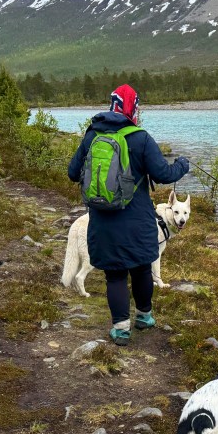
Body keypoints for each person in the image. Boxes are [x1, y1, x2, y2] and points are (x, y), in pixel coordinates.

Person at [68, 84, 190, 345]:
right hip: (137, 220)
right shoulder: (141, 137)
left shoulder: (92, 135)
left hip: (102, 220)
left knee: (114, 275)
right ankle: (144, 316)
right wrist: (182, 164)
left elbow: (71, 172)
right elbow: (164, 175)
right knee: (142, 268)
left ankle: (121, 328)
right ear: (133, 108)